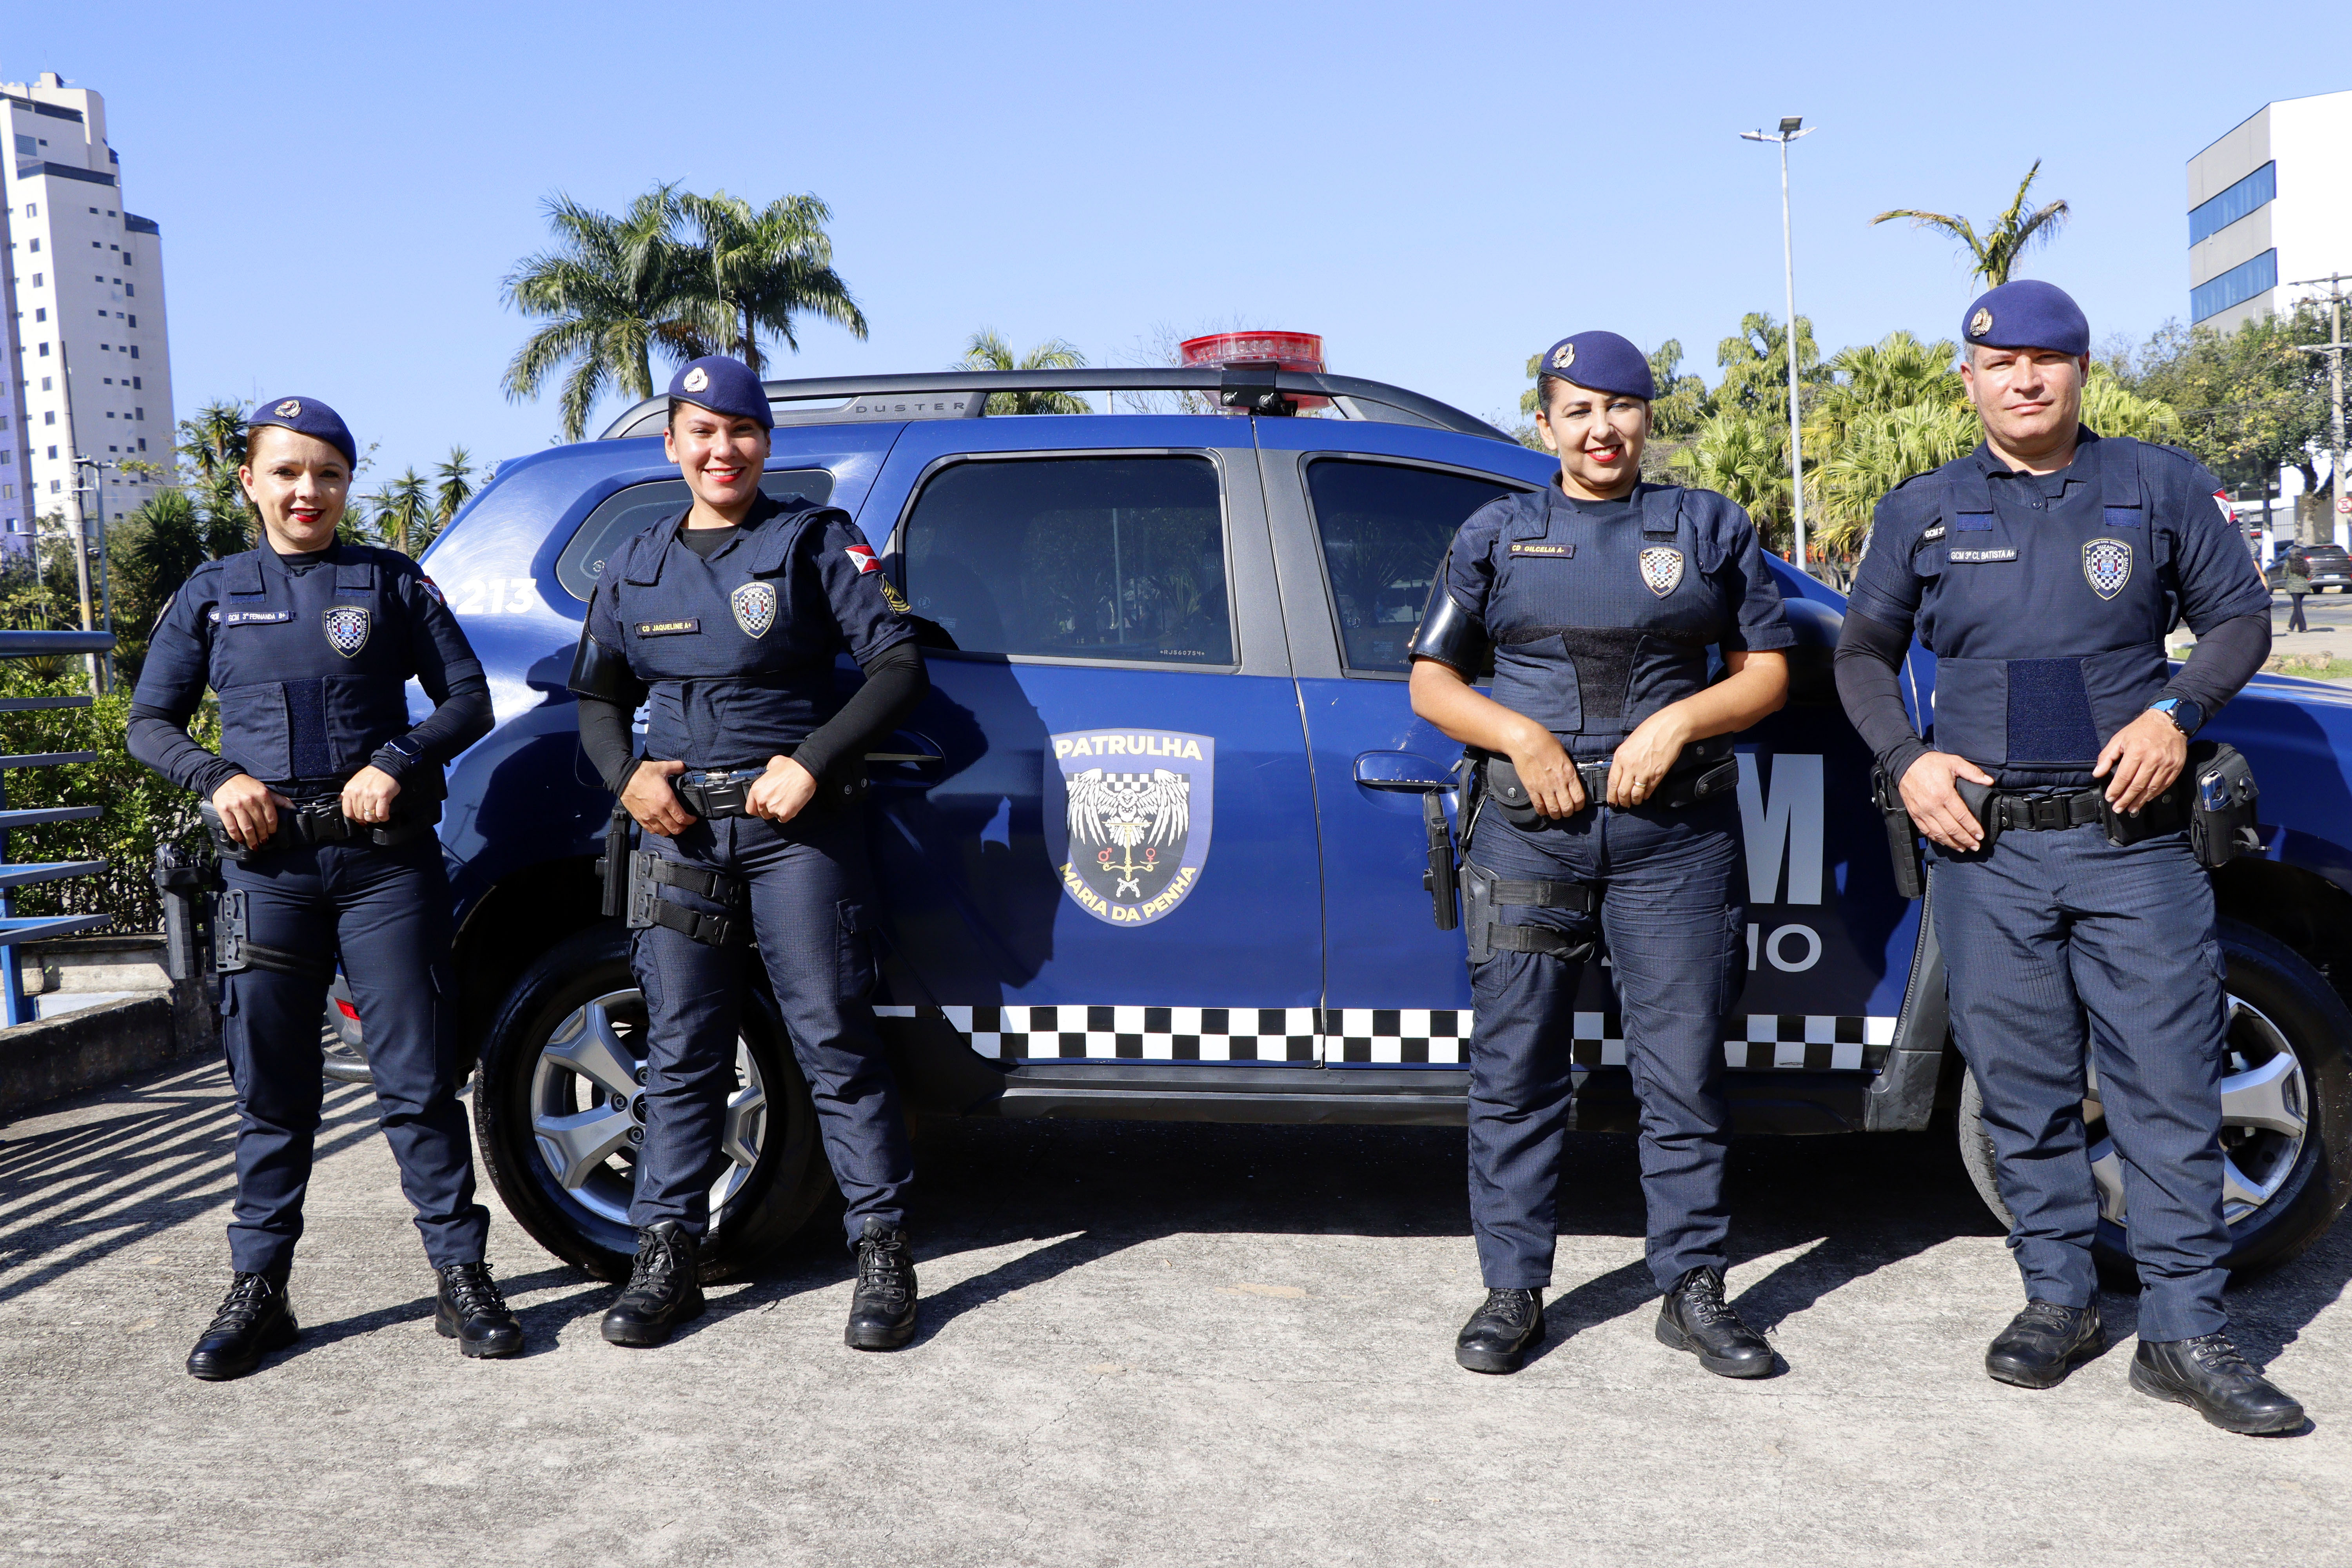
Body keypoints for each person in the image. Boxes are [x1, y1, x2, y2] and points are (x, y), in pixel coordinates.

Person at [1834, 280, 2300, 1435]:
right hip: (1985, 850)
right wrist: (1906, 758)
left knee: (2166, 1082)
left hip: (2130, 844)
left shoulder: (2152, 484)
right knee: (2025, 1089)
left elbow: (2240, 615)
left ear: (2079, 371)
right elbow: (1858, 654)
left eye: (2046, 361)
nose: (2023, 379)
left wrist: (2174, 711)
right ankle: (2058, 1300)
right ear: (1969, 379)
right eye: (2000, 365)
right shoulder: (1924, 510)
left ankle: (2186, 1333)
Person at [1408, 332, 1793, 1377]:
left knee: (1683, 1075)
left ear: (1647, 419)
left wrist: (1677, 726)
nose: (1601, 428)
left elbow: (1767, 675)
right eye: (1577, 410)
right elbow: (1432, 684)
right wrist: (1520, 738)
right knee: (1519, 1071)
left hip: (1676, 841)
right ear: (1546, 425)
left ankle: (1694, 1291)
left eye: (1620, 407)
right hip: (1531, 837)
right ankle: (1513, 1291)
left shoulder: (1707, 526)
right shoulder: (1495, 533)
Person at [128, 397, 519, 1379]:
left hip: (384, 866)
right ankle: (262, 1288)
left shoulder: (389, 582)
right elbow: (149, 723)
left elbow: (467, 697)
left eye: (330, 474)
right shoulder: (212, 594)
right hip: (269, 876)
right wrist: (218, 780)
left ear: (349, 484)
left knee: (419, 1082)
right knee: (272, 1090)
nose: (310, 491)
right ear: (250, 480)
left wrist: (397, 755)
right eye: (290, 472)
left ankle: (460, 1274)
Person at [568, 356, 931, 1350]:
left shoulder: (813, 541)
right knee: (681, 1048)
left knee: (832, 1036)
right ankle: (668, 1255)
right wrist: (630, 777)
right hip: (680, 834)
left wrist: (811, 763)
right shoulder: (634, 564)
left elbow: (898, 668)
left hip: (792, 833)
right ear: (673, 443)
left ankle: (883, 1252)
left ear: (765, 442)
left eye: (740, 430)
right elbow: (596, 697)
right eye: (701, 430)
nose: (721, 449)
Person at [2281, 546, 2310, 634]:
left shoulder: (2288, 563)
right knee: (2297, 606)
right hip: (2304, 587)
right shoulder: (2305, 562)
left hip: (2293, 587)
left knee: (2298, 607)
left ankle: (2302, 628)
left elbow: (2284, 575)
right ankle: (2291, 626)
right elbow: (2308, 575)